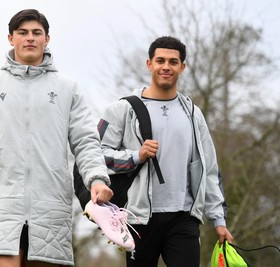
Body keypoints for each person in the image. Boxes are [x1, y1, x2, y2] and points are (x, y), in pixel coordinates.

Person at [0, 9, 113, 267]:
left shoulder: (68, 89)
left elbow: (87, 142)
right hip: (1, 206)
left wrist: (97, 180)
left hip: (51, 206)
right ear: (11, 38)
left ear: (47, 39)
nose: (30, 38)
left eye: (37, 33)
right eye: (23, 33)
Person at [97, 36, 233, 267]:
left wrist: (218, 219)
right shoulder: (122, 109)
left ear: (182, 67)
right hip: (138, 219)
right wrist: (135, 156)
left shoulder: (193, 114)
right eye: (160, 60)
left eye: (173, 62)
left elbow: (209, 169)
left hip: (184, 217)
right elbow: (95, 157)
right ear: (149, 64)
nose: (166, 67)